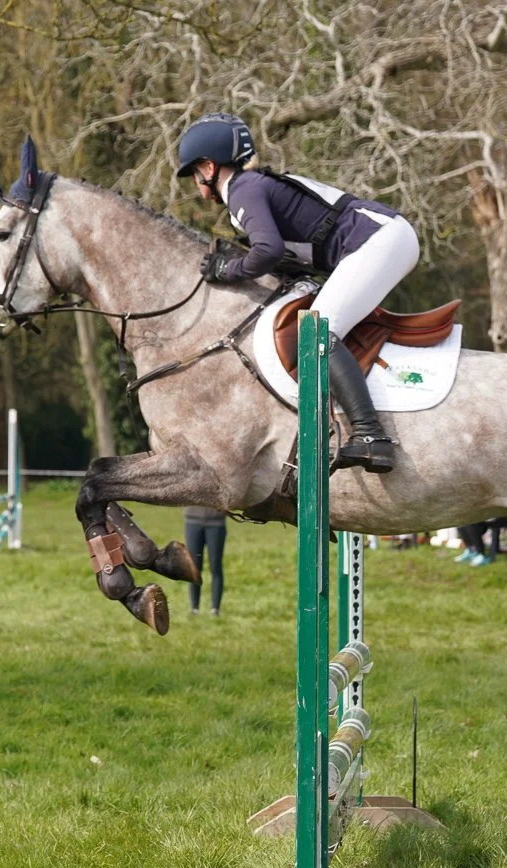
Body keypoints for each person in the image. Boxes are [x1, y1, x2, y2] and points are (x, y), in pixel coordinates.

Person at [176, 112, 420, 474]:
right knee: (320, 325)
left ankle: (371, 435)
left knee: (317, 330)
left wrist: (227, 270)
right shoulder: (250, 192)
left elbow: (268, 251)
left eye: (195, 174)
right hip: (378, 240)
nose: (196, 186)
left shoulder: (244, 189)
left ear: (209, 168)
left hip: (377, 240)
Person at [184, 506, 228, 615]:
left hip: (216, 523)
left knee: (215, 566)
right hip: (192, 522)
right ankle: (194, 608)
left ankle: (215, 609)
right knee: (194, 567)